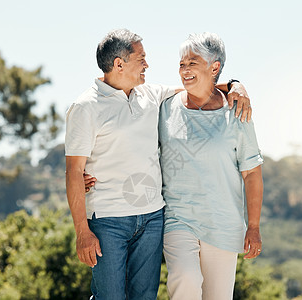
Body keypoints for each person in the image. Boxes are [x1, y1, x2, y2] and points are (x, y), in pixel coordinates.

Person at [66, 28, 252, 300]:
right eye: (141, 58)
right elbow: (73, 172)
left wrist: (236, 84)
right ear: (119, 64)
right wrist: (82, 232)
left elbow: (200, 84)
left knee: (144, 296)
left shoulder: (151, 95)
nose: (147, 64)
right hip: (108, 221)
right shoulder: (85, 107)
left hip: (153, 218)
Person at [158, 32, 264, 300]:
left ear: (214, 67)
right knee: (186, 280)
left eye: (192, 62)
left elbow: (251, 173)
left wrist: (253, 226)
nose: (184, 70)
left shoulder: (238, 111)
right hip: (178, 219)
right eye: (182, 64)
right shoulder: (166, 108)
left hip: (223, 223)